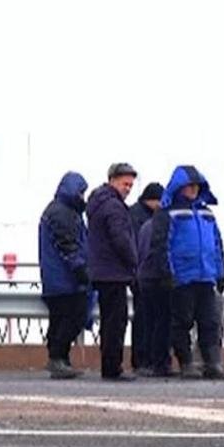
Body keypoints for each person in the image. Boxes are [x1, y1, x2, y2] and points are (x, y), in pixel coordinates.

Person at [147, 165, 224, 380]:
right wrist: (167, 274)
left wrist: (221, 272)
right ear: (179, 187)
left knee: (210, 322)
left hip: (206, 276)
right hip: (182, 278)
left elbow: (217, 245)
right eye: (189, 186)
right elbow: (160, 245)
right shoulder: (167, 213)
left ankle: (212, 363)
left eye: (196, 186)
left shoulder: (207, 214)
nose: (193, 189)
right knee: (182, 322)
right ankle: (186, 363)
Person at [86, 162, 139, 382]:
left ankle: (110, 365)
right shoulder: (114, 207)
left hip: (101, 271)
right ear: (113, 181)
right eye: (125, 184)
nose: (128, 188)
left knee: (110, 320)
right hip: (114, 272)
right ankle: (112, 367)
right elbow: (121, 239)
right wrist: (133, 261)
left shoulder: (97, 203)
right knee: (116, 322)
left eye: (131, 185)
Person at [37, 171, 90, 380]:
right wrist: (81, 270)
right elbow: (68, 246)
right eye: (81, 192)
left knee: (59, 320)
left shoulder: (60, 210)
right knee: (73, 317)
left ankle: (60, 359)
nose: (82, 197)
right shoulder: (63, 213)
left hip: (55, 279)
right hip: (64, 279)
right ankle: (58, 358)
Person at [131, 182, 167, 376]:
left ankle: (145, 360)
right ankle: (145, 360)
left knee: (145, 319)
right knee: (147, 320)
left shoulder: (137, 215)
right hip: (146, 275)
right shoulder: (143, 220)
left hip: (141, 275)